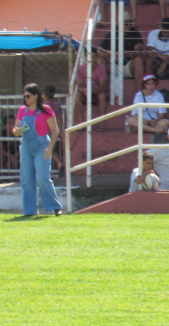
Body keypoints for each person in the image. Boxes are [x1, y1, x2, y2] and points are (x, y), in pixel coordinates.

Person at [13, 83, 62, 216]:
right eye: (24, 97)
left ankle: (54, 207)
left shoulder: (46, 110)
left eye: (28, 96)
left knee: (42, 177)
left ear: (36, 96)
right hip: (26, 147)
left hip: (42, 146)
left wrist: (49, 148)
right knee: (26, 179)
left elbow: (54, 130)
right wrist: (17, 131)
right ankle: (29, 211)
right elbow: (15, 129)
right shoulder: (22, 110)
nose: (26, 99)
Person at [97, 10, 145, 82]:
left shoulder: (135, 32)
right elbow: (99, 52)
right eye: (126, 23)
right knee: (100, 61)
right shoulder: (112, 33)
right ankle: (103, 88)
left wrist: (126, 54)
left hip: (128, 66)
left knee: (138, 60)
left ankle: (140, 92)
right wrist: (113, 54)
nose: (128, 25)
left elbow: (138, 51)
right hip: (113, 66)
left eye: (130, 23)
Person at [74, 48, 109, 129]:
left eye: (94, 57)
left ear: (97, 58)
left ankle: (102, 124)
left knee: (102, 96)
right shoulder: (81, 69)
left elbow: (102, 87)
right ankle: (82, 124)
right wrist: (85, 91)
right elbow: (79, 87)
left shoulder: (101, 68)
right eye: (90, 57)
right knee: (77, 96)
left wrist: (91, 92)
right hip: (85, 93)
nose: (92, 59)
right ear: (86, 58)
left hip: (97, 93)